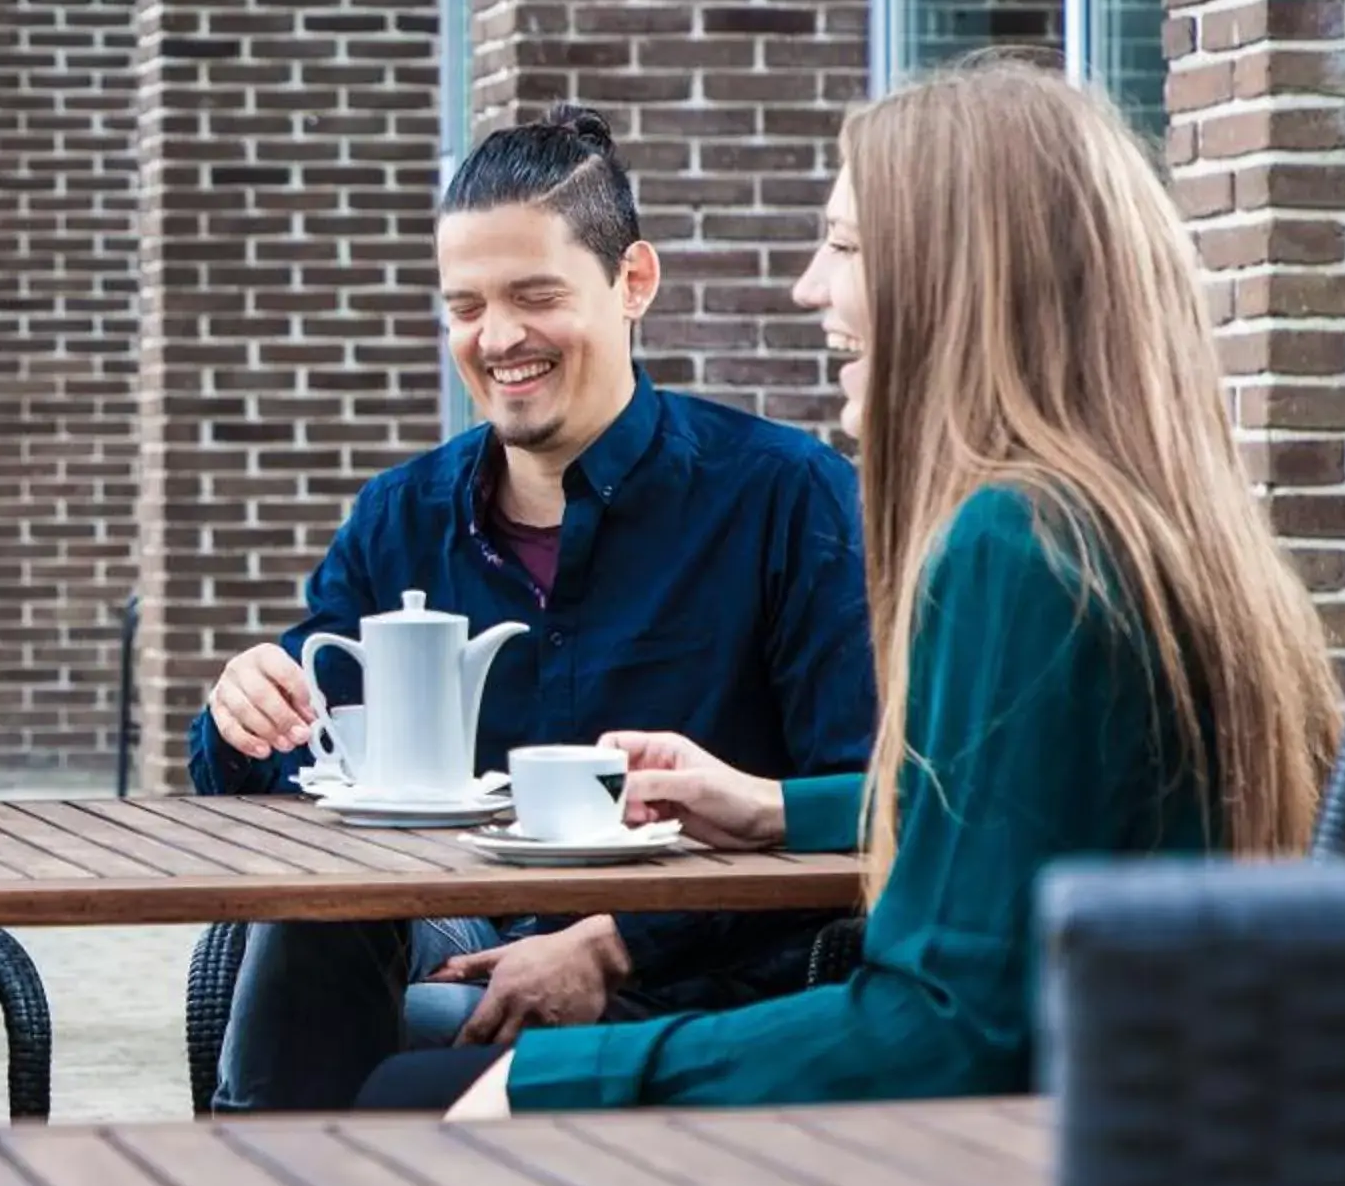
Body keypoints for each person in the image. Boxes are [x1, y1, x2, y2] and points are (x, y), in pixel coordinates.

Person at [381, 58, 1343, 1117]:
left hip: (992, 1168)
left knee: (399, 1100)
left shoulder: (1011, 545)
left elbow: (944, 1029)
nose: (810, 286)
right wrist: (772, 807)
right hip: (1146, 1124)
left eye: (843, 245)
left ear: (957, 273)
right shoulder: (1132, 523)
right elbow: (1009, 811)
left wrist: (557, 1077)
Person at [196, 106, 879, 1114]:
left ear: (632, 282)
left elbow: (853, 802)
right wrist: (240, 714)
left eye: (534, 295)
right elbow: (288, 771)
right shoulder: (400, 517)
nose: (499, 337)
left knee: (368, 1050)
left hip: (694, 978)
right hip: (445, 930)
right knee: (312, 914)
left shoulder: (785, 499)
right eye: (465, 306)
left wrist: (610, 943)